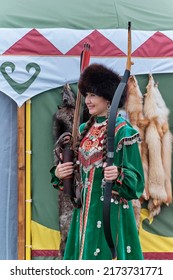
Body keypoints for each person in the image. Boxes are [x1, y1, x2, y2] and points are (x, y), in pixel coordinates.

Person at [51, 63, 145, 260]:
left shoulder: (123, 132)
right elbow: (75, 175)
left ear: (108, 97)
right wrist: (61, 173)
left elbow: (137, 183)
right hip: (83, 215)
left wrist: (119, 174)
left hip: (111, 216)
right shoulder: (83, 129)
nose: (87, 101)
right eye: (86, 95)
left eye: (93, 95)